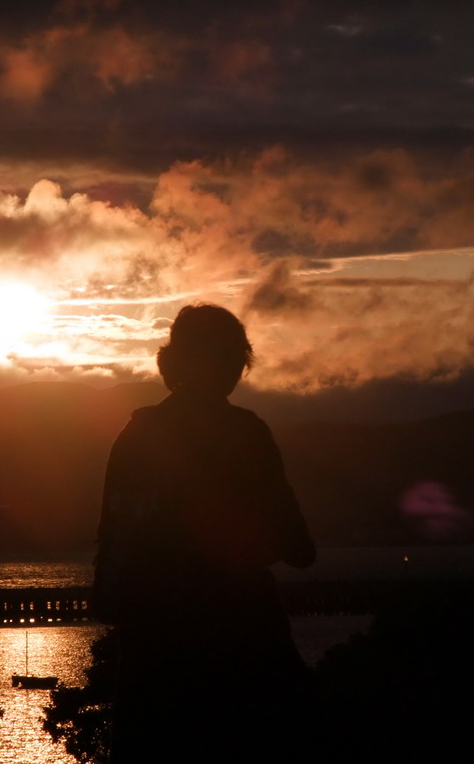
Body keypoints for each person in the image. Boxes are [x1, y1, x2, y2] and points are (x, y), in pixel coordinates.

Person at [94, 303, 316, 763]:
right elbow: (298, 547)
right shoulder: (245, 433)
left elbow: (112, 547)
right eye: (233, 358)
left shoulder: (135, 436)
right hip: (244, 642)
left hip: (152, 650)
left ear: (171, 364)